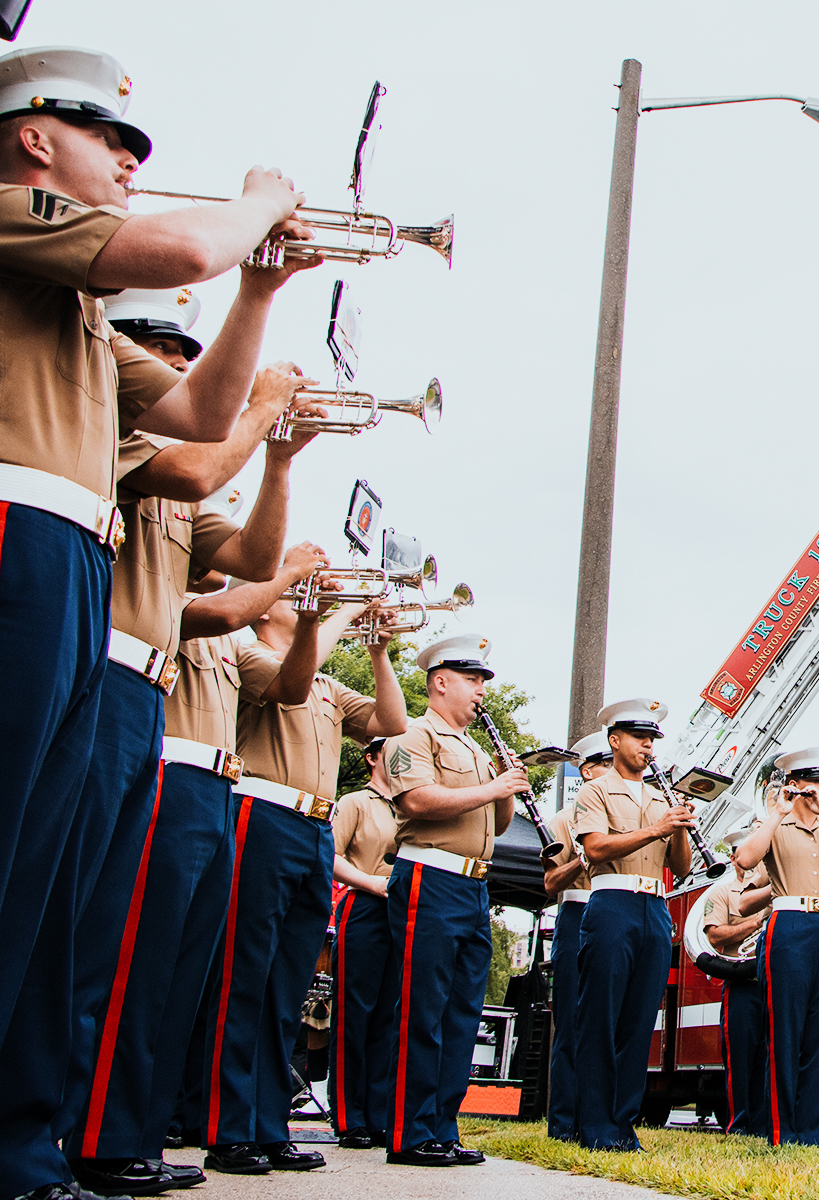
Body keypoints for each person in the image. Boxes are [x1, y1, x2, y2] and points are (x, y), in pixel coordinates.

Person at [0, 61, 306, 1173]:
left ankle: (25, 1156)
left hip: (71, 563)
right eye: (105, 132)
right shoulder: (15, 214)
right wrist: (260, 199)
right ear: (34, 138)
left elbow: (197, 409)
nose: (131, 158)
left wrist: (262, 290)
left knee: (47, 889)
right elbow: (180, 253)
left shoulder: (80, 315)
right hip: (19, 534)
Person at [185, 590, 404, 1174]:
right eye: (292, 596)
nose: (306, 602)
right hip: (261, 810)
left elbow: (391, 726)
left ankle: (266, 1123)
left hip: (313, 825)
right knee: (244, 978)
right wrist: (339, 615)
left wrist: (380, 652)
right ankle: (227, 1128)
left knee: (288, 990)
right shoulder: (250, 651)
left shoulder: (330, 684)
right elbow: (288, 682)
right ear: (263, 609)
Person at [381, 635, 518, 1167]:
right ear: (440, 681)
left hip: (473, 884)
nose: (481, 689)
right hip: (430, 875)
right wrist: (491, 788)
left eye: (482, 680)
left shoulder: (478, 747)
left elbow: (499, 824)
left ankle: (442, 1125)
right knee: (424, 1008)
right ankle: (409, 1133)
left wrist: (505, 786)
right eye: (472, 679)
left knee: (463, 1011)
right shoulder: (411, 733)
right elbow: (416, 799)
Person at [733, 746, 819, 1145]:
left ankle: (812, 1129)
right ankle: (782, 1129)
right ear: (794, 785)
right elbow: (744, 859)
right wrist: (777, 811)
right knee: (786, 1030)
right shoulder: (774, 826)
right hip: (790, 924)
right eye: (814, 782)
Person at [569, 699, 692, 1151]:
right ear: (614, 740)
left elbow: (680, 867)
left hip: (654, 908)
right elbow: (597, 849)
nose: (648, 746)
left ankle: (622, 1124)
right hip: (613, 902)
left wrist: (678, 826)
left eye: (653, 739)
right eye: (640, 738)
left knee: (641, 1021)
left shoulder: (663, 796)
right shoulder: (595, 791)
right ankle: (595, 1125)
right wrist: (659, 828)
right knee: (601, 1015)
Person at [328, 741, 400, 1151]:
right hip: (364, 903)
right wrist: (369, 881)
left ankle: (378, 1114)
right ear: (372, 757)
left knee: (388, 1018)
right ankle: (348, 1115)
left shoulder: (410, 804)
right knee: (355, 1012)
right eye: (391, 752)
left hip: (401, 910)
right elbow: (330, 854)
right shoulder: (355, 801)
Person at [541, 732, 610, 1143]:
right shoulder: (563, 820)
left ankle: (601, 1118)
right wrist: (586, 855)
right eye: (605, 763)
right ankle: (564, 1120)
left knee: (607, 1019)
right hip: (577, 909)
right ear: (587, 770)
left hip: (615, 911)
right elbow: (550, 882)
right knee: (570, 1019)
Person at [704, 824, 772, 1138]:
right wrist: (756, 921)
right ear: (735, 858)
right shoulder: (720, 892)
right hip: (743, 982)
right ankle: (741, 1124)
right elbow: (714, 935)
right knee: (742, 1058)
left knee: (773, 1055)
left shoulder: (777, 885)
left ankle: (770, 1124)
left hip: (773, 979)